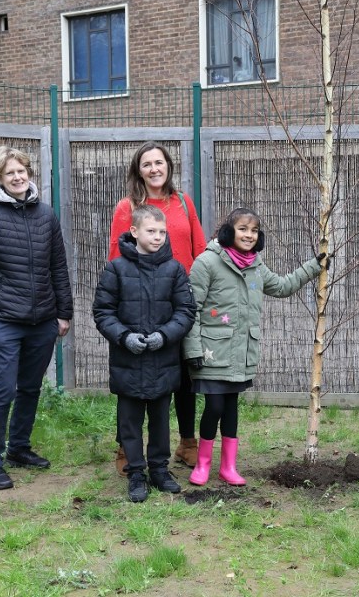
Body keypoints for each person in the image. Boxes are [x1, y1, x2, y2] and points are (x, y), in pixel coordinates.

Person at [184, 207, 325, 486]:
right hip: (212, 352)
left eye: (254, 230)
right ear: (229, 231)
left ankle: (228, 467)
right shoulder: (207, 262)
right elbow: (191, 309)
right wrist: (193, 349)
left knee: (231, 408)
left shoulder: (256, 266)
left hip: (241, 353)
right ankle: (202, 464)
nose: (249, 235)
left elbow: (282, 286)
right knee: (214, 407)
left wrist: (314, 266)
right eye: (243, 229)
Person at [0, 145, 73, 490]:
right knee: (3, 391)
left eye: (21, 170)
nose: (17, 177)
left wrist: (63, 313)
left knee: (30, 388)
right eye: (10, 172)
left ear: (29, 173)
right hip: (2, 321)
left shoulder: (46, 215)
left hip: (43, 321)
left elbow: (58, 267)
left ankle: (19, 449)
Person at [108, 141, 207, 475]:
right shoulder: (127, 207)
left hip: (179, 301)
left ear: (168, 166)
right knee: (132, 379)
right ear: (138, 170)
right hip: (139, 304)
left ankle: (187, 443)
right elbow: (117, 256)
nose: (154, 169)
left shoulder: (183, 202)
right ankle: (126, 447)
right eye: (147, 164)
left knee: (184, 376)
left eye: (159, 162)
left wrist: (200, 294)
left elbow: (199, 249)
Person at [93, 205, 197, 502]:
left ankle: (160, 469)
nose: (158, 237)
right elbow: (103, 312)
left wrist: (164, 335)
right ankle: (136, 472)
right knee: (130, 421)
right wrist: (124, 336)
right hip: (127, 362)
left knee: (160, 419)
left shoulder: (175, 270)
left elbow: (186, 311)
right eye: (151, 231)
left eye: (162, 232)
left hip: (163, 361)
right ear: (134, 231)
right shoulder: (116, 269)